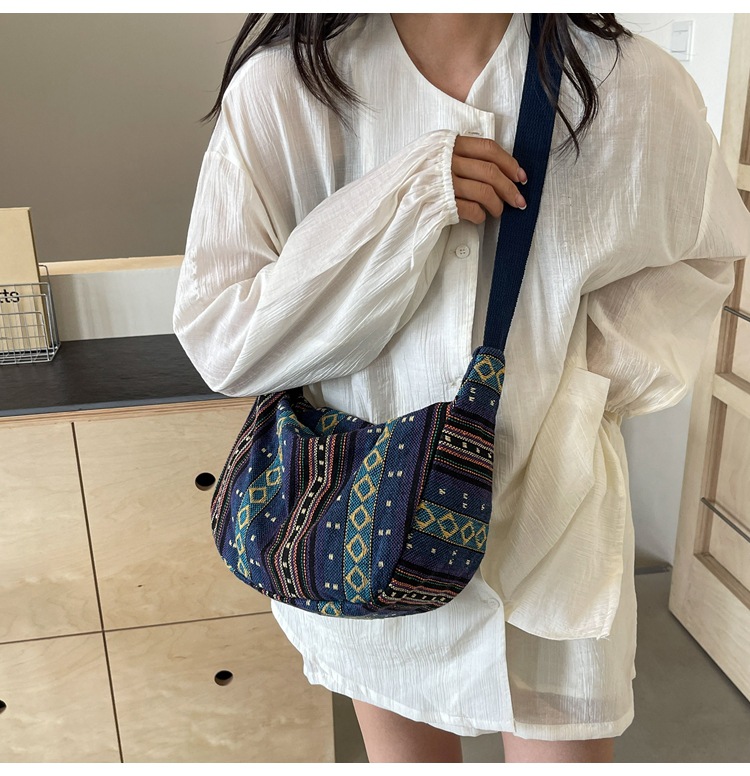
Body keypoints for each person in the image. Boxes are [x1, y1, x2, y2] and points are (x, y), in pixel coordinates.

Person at [173, 13, 750, 763]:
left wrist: (583, 392)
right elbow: (226, 338)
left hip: (553, 519)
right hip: (366, 527)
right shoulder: (289, 88)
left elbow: (702, 256)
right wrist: (403, 202)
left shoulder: (629, 82)